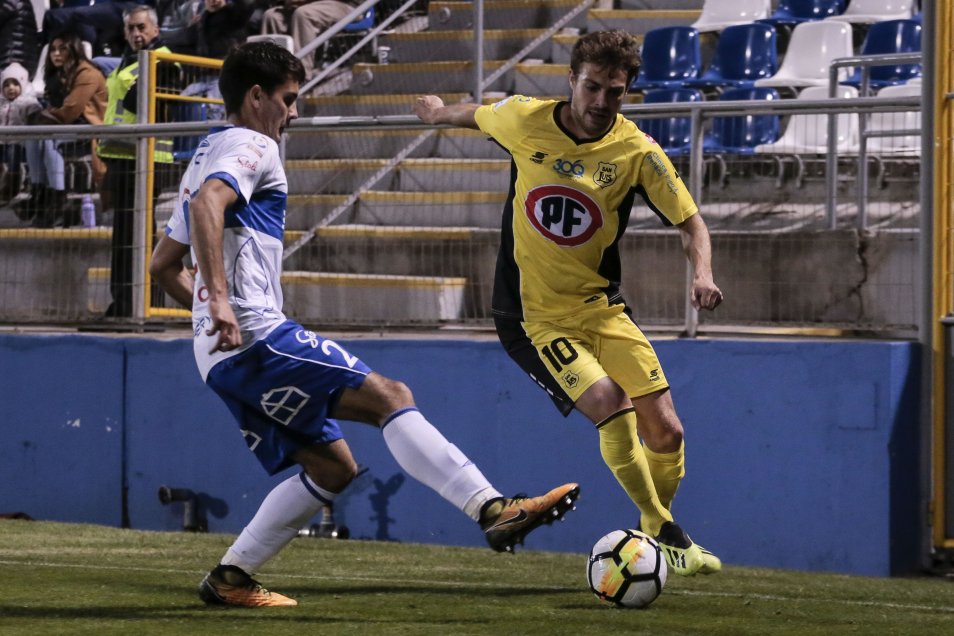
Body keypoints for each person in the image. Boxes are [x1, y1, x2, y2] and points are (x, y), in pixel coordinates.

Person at [148, 41, 580, 608]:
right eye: (288, 99)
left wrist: (210, 314)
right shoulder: (254, 145)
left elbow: (162, 265)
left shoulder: (206, 150)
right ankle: (493, 509)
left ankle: (232, 577)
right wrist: (225, 306)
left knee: (332, 467)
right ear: (256, 97)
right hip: (256, 335)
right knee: (389, 397)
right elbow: (210, 206)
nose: (293, 113)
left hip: (219, 356)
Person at [413, 29, 723, 577]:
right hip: (534, 318)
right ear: (571, 80)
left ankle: (654, 527)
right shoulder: (523, 118)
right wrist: (437, 113)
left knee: (667, 431)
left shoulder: (636, 151)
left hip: (602, 309)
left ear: (627, 91)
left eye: (615, 91)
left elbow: (691, 222)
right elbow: (473, 115)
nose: (602, 101)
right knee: (611, 404)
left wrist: (703, 273)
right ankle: (665, 530)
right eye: (592, 87)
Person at [98, 5, 176, 317]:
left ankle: (141, 304)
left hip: (146, 159)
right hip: (122, 155)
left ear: (156, 30)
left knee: (138, 236)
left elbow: (137, 101)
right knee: (124, 236)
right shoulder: (129, 61)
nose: (136, 33)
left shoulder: (164, 60)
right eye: (131, 28)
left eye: (141, 27)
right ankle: (124, 303)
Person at [20, 32, 107, 227]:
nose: (56, 54)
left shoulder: (87, 73)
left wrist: (43, 116)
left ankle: (58, 199)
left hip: (90, 128)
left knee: (48, 138)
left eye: (62, 49)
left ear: (73, 51)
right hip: (67, 128)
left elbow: (69, 112)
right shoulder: (57, 75)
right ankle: (39, 194)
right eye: (52, 50)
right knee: (32, 136)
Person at [260, 0, 360, 79]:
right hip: (311, 4)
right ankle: (272, 72)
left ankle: (301, 76)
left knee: (303, 14)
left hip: (346, 5)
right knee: (271, 16)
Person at [0, 62, 41, 209]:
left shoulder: (27, 102)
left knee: (13, 159)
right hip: (2, 140)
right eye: (6, 85)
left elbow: (34, 118)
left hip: (18, 141)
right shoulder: (1, 103)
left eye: (15, 84)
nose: (11, 88)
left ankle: (12, 186)